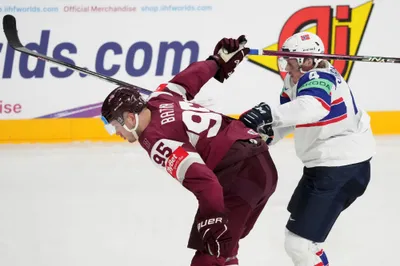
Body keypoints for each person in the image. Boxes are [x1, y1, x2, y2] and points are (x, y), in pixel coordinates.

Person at [100, 36, 278, 266]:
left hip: (239, 176)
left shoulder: (157, 142)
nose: (116, 133)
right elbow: (194, 74)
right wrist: (217, 60)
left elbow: (206, 184)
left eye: (114, 126)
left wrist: (213, 219)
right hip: (263, 167)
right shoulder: (160, 97)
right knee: (225, 249)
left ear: (130, 118)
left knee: (209, 256)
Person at [239, 32, 376, 266]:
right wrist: (267, 135)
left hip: (340, 167)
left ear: (307, 61)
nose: (287, 68)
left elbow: (314, 107)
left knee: (299, 245)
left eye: (291, 63)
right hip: (323, 167)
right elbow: (291, 117)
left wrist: (267, 113)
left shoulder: (319, 76)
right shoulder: (295, 80)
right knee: (302, 243)